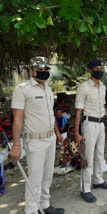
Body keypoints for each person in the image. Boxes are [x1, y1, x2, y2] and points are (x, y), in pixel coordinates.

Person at [10, 56, 64, 214]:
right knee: (34, 179)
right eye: (40, 70)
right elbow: (18, 119)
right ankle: (32, 210)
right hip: (34, 141)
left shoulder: (48, 88)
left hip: (50, 138)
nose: (44, 73)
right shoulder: (22, 89)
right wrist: (16, 145)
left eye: (46, 70)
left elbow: (49, 114)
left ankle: (45, 205)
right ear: (31, 71)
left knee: (48, 176)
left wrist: (57, 132)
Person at [74, 59, 107, 203]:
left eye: (102, 68)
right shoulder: (83, 88)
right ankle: (85, 189)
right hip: (88, 125)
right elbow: (78, 110)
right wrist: (77, 132)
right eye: (97, 68)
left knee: (99, 154)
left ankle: (98, 180)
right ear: (90, 70)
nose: (100, 70)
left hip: (100, 123)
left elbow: (102, 106)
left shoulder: (102, 86)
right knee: (88, 157)